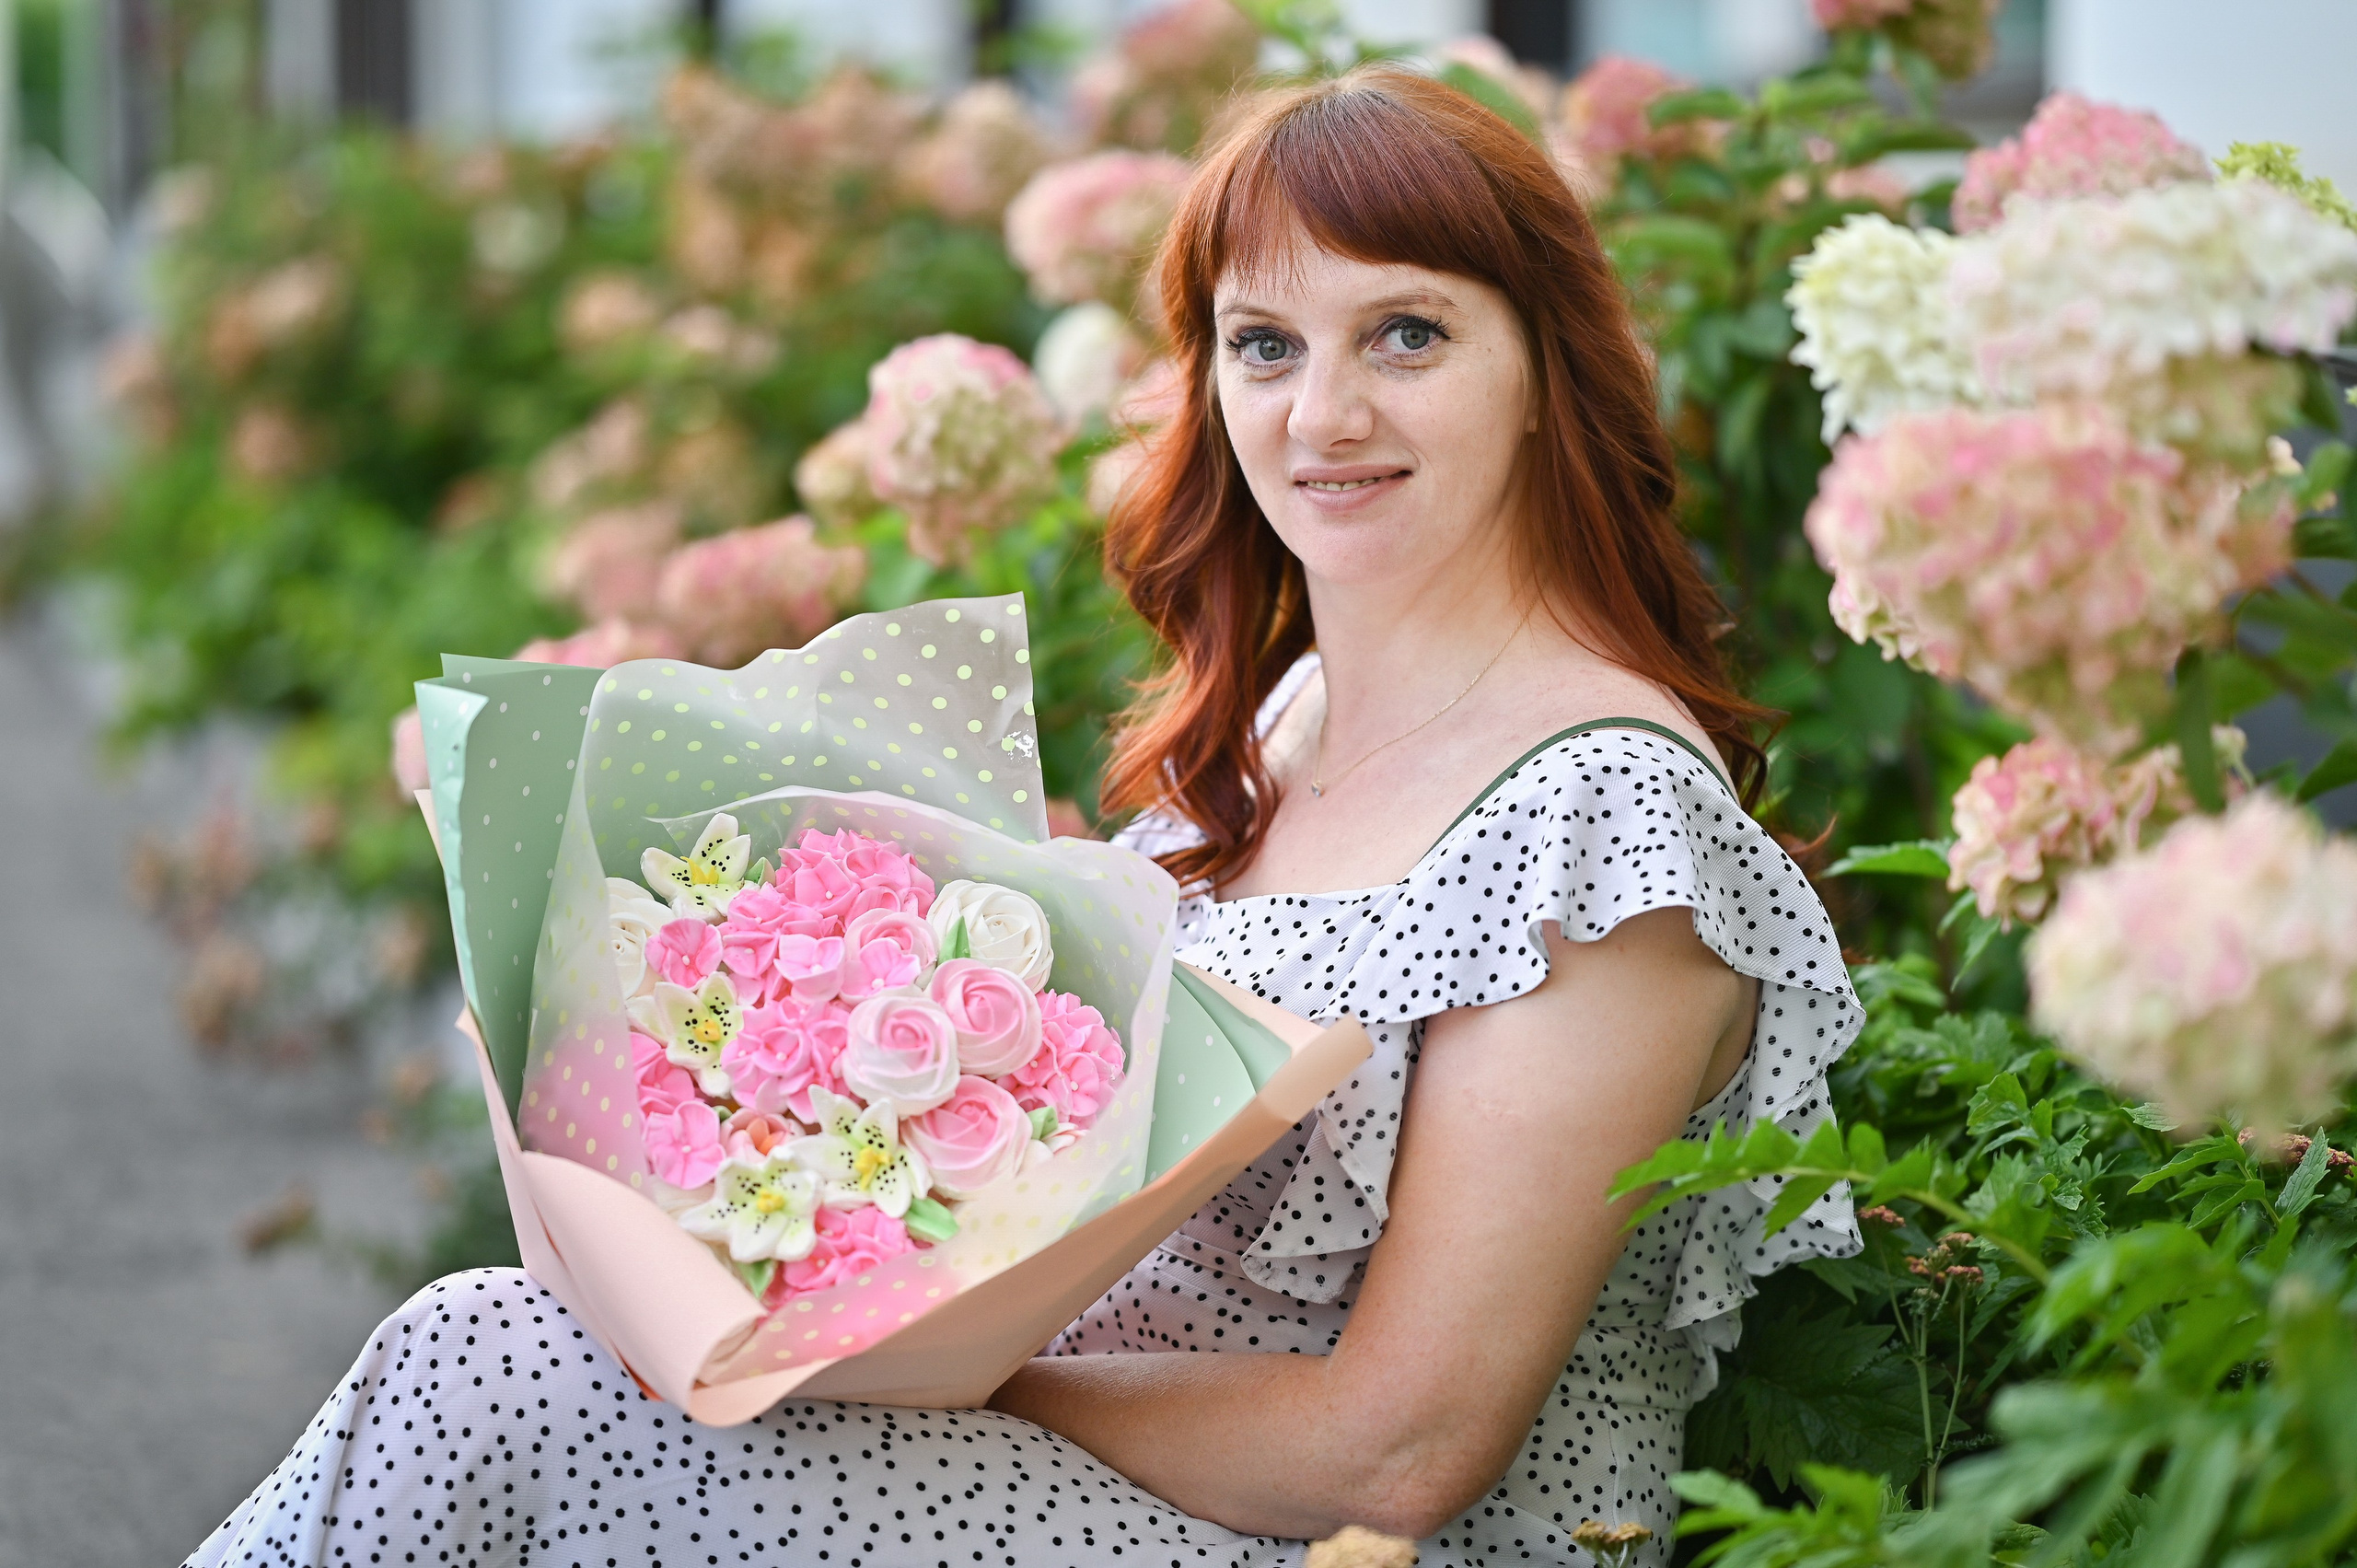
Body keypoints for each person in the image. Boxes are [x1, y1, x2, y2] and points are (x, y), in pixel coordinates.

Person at [185, 65, 1860, 1568]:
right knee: (514, 1354)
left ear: (1547, 373)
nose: (1322, 414)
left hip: (1349, 1547)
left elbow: (1408, 1447)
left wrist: (948, 1386)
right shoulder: (1283, 722)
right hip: (1063, 1475)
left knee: (494, 1376)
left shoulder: (1613, 823)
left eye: (1406, 334)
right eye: (1265, 345)